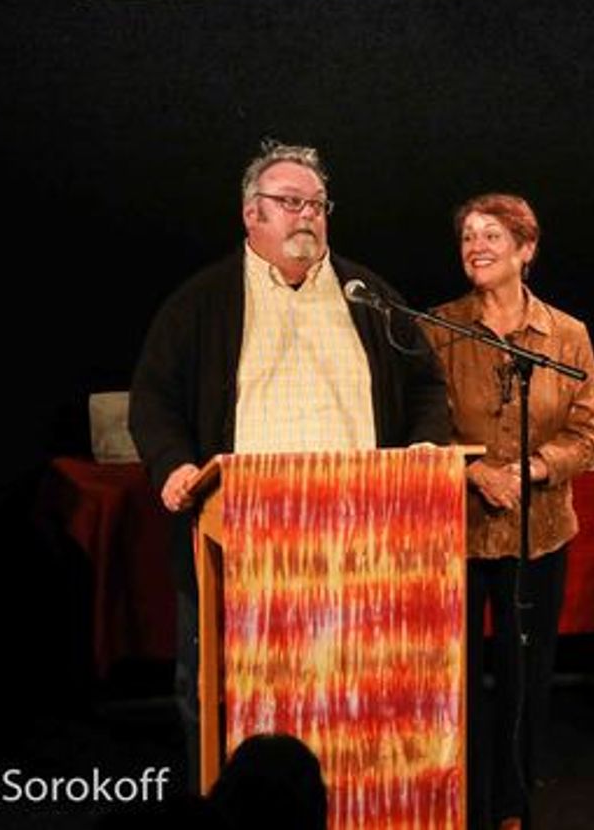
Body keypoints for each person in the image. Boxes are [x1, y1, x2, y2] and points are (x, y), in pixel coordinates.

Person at [128, 140, 450, 790]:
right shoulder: (202, 302)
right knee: (220, 695)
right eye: (291, 203)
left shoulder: (367, 295)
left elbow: (426, 386)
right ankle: (225, 814)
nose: (307, 216)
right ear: (252, 214)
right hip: (238, 535)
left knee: (347, 690)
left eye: (317, 205)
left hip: (359, 536)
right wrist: (173, 466)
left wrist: (423, 447)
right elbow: (153, 400)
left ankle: (345, 804)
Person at [420, 193, 594, 830]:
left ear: (526, 250)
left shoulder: (567, 335)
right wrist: (474, 471)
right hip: (457, 532)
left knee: (525, 678)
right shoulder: (438, 328)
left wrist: (529, 471)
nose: (476, 246)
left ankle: (512, 806)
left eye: (491, 235)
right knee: (458, 679)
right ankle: (461, 803)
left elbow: (587, 435)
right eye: (468, 236)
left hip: (538, 532)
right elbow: (418, 424)